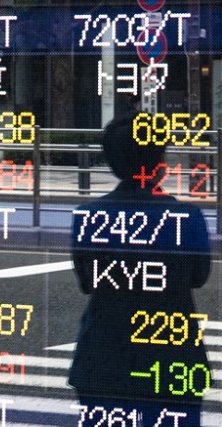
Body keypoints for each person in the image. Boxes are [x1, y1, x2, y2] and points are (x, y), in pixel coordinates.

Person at [69, 112, 211, 425]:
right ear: (159, 161)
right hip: (172, 364)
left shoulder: (88, 217)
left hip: (101, 362)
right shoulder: (186, 219)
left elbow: (87, 283)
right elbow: (199, 277)